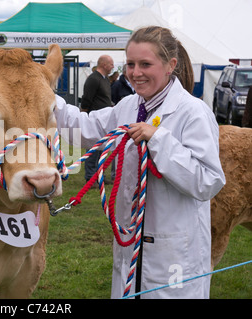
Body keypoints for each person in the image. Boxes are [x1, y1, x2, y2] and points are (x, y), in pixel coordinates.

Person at [54, 26, 225, 299]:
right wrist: (43, 96)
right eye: (130, 64)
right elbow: (85, 127)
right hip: (131, 245)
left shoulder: (193, 113)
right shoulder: (129, 106)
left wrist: (159, 140)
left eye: (146, 64)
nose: (135, 72)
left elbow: (208, 181)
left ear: (171, 65)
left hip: (174, 254)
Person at [81, 55, 114, 186]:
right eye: (111, 64)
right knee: (93, 148)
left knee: (102, 148)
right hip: (94, 119)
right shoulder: (93, 79)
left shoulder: (105, 80)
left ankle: (99, 175)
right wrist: (84, 114)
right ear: (104, 65)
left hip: (104, 119)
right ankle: (90, 177)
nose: (112, 67)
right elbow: (86, 98)